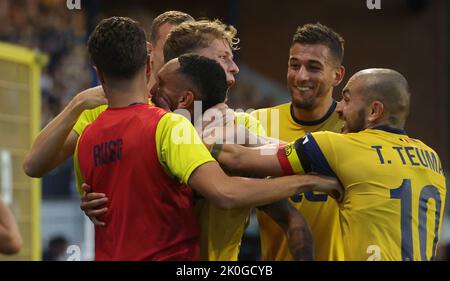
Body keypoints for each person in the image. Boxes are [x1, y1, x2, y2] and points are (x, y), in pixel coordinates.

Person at [76, 17, 341, 260]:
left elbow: (291, 219)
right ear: (193, 62)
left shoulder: (238, 124)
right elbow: (226, 187)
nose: (235, 67)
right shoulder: (152, 124)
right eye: (224, 57)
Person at [209, 68, 447, 261]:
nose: (340, 109)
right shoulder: (431, 158)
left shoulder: (341, 146)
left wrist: (197, 135)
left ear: (374, 111)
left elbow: (236, 158)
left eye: (346, 99)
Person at [22, 11, 194, 178]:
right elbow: (33, 166)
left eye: (189, 52)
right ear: (149, 51)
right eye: (171, 48)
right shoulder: (102, 104)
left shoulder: (204, 102)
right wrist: (78, 103)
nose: (180, 59)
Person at [250, 23, 346, 261]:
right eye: (294, 65)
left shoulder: (354, 130)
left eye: (314, 67)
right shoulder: (258, 122)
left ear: (337, 75)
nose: (301, 76)